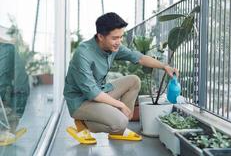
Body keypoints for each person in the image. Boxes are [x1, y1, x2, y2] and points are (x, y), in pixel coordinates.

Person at [64, 12, 178, 144]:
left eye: (121, 37)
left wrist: (165, 66)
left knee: (133, 81)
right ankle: (83, 122)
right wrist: (121, 105)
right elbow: (92, 93)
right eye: (115, 38)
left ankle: (117, 129)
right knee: (121, 122)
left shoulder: (113, 46)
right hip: (80, 102)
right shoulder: (83, 54)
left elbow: (139, 57)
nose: (118, 42)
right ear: (100, 36)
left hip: (100, 91)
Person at [0, 40, 29, 146]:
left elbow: (2, 80)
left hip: (11, 102)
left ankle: (8, 128)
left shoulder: (6, 50)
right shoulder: (7, 49)